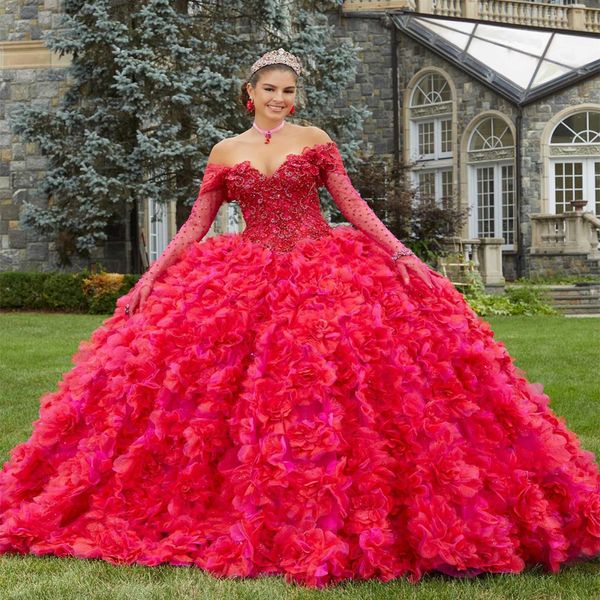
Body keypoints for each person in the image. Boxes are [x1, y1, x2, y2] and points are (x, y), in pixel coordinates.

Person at [1, 48, 599, 589]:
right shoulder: (225, 152)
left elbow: (352, 205)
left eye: (289, 90)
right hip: (244, 276)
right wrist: (153, 277)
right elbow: (196, 224)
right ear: (250, 93)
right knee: (213, 395)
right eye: (271, 90)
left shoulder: (313, 140)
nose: (280, 99)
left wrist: (402, 255)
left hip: (322, 270)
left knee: (346, 388)